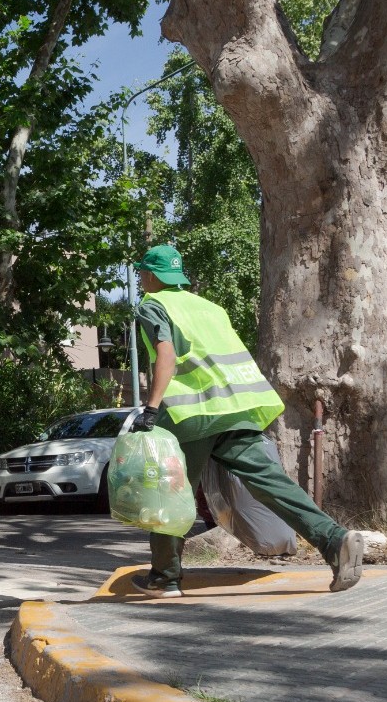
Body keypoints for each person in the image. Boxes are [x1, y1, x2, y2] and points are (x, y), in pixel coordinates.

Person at [128, 245, 364, 598]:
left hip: (190, 415)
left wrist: (151, 408)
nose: (140, 279)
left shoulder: (153, 305)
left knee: (171, 494)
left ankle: (165, 578)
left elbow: (167, 354)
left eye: (142, 273)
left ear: (150, 276)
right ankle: (333, 540)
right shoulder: (210, 308)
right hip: (236, 408)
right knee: (270, 482)